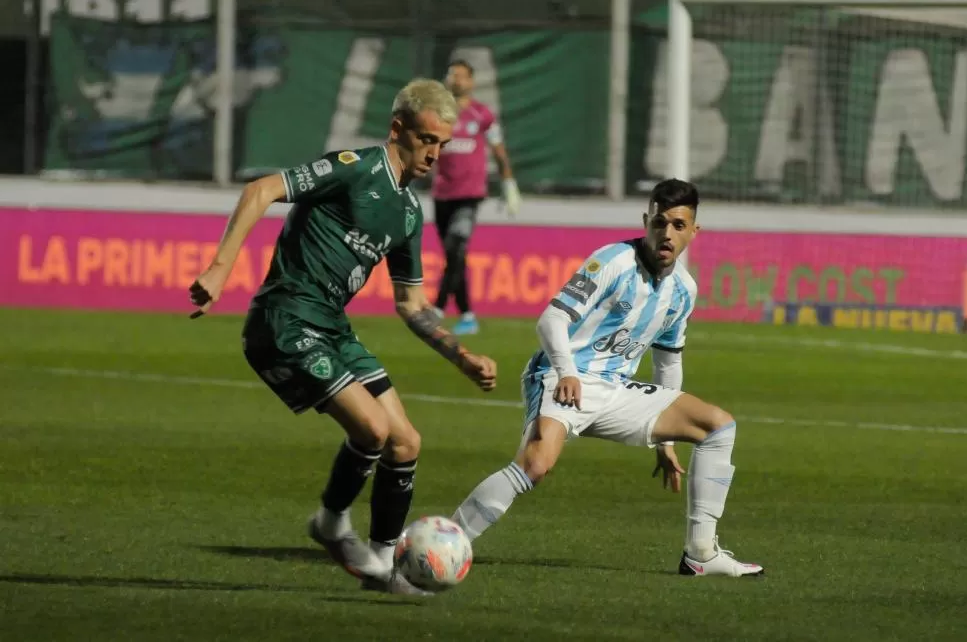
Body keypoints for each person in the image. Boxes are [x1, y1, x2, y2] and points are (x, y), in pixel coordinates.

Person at [187, 78, 499, 595]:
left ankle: (383, 566)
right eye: (427, 140)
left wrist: (460, 356)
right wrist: (221, 269)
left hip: (331, 326)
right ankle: (331, 522)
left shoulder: (407, 211)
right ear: (398, 128)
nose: (435, 154)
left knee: (406, 442)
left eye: (442, 145)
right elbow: (260, 190)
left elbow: (411, 304)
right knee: (373, 431)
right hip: (285, 320)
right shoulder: (354, 168)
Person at [451, 178, 763, 578]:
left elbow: (667, 363)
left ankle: (700, 553)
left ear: (693, 231)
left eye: (679, 226)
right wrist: (566, 371)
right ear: (646, 220)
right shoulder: (613, 261)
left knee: (718, 427)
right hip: (563, 376)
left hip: (615, 390)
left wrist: (666, 442)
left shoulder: (684, 290)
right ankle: (448, 540)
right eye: (660, 223)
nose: (667, 234)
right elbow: (553, 318)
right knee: (536, 465)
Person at [430, 59, 521, 336]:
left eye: (460, 75)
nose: (455, 79)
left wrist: (508, 183)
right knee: (453, 256)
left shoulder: (482, 115)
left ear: (471, 82)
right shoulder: (438, 114)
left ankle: (437, 309)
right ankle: (468, 315)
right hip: (442, 193)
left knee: (457, 246)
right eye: (451, 74)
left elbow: (498, 149)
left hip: (469, 196)